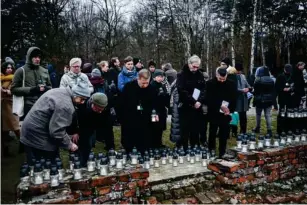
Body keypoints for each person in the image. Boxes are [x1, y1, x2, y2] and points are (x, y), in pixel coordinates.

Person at [20, 82, 91, 164]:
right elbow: (56, 131)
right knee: (47, 167)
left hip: (31, 129)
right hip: (38, 135)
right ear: (75, 95)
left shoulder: (60, 91)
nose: (82, 102)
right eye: (82, 99)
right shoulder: (66, 106)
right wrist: (69, 144)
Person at [72, 93, 114, 167]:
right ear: (93, 104)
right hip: (84, 126)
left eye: (102, 109)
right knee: (84, 144)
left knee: (89, 143)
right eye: (98, 109)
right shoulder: (82, 106)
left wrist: (110, 146)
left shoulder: (106, 109)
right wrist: (74, 131)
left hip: (97, 124)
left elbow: (108, 128)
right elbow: (74, 119)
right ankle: (80, 163)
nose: (100, 111)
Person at [120, 69, 157, 153]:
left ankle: (144, 150)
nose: (145, 85)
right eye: (143, 83)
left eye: (147, 83)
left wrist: (154, 112)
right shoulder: (129, 87)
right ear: (138, 79)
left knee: (144, 138)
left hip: (145, 117)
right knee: (129, 138)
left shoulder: (151, 89)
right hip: (131, 117)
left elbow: (154, 103)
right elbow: (123, 103)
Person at [11, 47, 52, 119]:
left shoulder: (44, 71)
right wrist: (32, 89)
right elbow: (13, 89)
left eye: (39, 57)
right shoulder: (21, 71)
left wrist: (46, 88)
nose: (38, 59)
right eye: (35, 57)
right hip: (28, 106)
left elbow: (50, 87)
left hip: (43, 106)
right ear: (29, 57)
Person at [177, 55, 207, 149]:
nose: (195, 69)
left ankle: (195, 147)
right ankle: (184, 148)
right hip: (186, 106)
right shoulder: (182, 74)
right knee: (185, 129)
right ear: (189, 64)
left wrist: (199, 101)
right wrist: (193, 101)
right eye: (194, 67)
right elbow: (181, 91)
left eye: (197, 67)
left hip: (197, 106)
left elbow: (204, 89)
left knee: (195, 129)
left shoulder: (200, 74)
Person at [207, 67, 237, 157]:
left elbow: (234, 98)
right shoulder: (210, 83)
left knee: (223, 134)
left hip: (226, 113)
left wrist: (230, 110)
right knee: (212, 132)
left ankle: (222, 152)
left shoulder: (231, 84)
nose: (222, 81)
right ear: (216, 75)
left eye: (224, 79)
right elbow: (208, 99)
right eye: (220, 79)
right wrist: (219, 106)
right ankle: (211, 150)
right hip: (214, 112)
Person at [1, 62, 20, 156]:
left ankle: (23, 145)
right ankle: (5, 150)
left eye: (10, 67)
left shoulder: (14, 78)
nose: (9, 69)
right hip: (3, 106)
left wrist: (7, 91)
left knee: (16, 127)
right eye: (7, 68)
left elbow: (15, 90)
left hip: (11, 105)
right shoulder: (1, 78)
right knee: (4, 130)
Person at [252, 66, 275, 135]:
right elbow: (272, 90)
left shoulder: (258, 79)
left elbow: (255, 90)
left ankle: (257, 128)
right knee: (268, 115)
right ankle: (269, 129)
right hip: (269, 99)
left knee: (258, 114)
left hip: (260, 99)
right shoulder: (271, 80)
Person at [150, 69, 170, 148]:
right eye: (158, 76)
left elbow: (165, 98)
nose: (160, 78)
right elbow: (151, 99)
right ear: (154, 77)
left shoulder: (162, 85)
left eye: (161, 76)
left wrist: (166, 95)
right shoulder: (151, 85)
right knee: (154, 128)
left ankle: (159, 143)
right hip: (154, 111)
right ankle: (153, 144)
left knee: (160, 128)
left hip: (162, 110)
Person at [275, 64, 296, 134]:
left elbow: (295, 85)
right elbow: (276, 87)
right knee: (281, 113)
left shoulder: (292, 76)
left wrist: (290, 88)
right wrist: (282, 89)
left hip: (290, 97)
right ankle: (280, 129)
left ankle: (288, 128)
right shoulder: (280, 76)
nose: (288, 72)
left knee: (289, 113)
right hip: (282, 97)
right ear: (284, 69)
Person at [234, 63, 251, 134]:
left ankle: (243, 130)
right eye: (238, 70)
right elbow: (234, 88)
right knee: (235, 115)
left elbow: (247, 85)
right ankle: (234, 131)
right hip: (237, 99)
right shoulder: (233, 77)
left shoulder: (243, 76)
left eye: (240, 70)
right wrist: (242, 90)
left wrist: (249, 88)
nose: (239, 72)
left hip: (244, 99)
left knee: (243, 116)